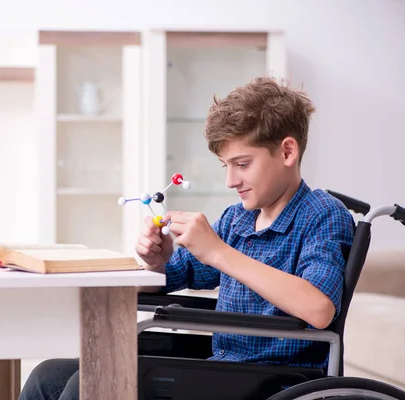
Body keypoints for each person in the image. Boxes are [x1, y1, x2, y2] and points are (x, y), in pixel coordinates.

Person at [18, 76, 355, 400]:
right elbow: (169, 278)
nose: (231, 181)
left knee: (95, 385)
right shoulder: (237, 219)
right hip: (223, 368)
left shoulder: (323, 214)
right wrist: (155, 262)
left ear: (287, 152)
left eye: (242, 163)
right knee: (47, 375)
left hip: (274, 379)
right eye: (226, 166)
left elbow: (319, 308)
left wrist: (219, 253)